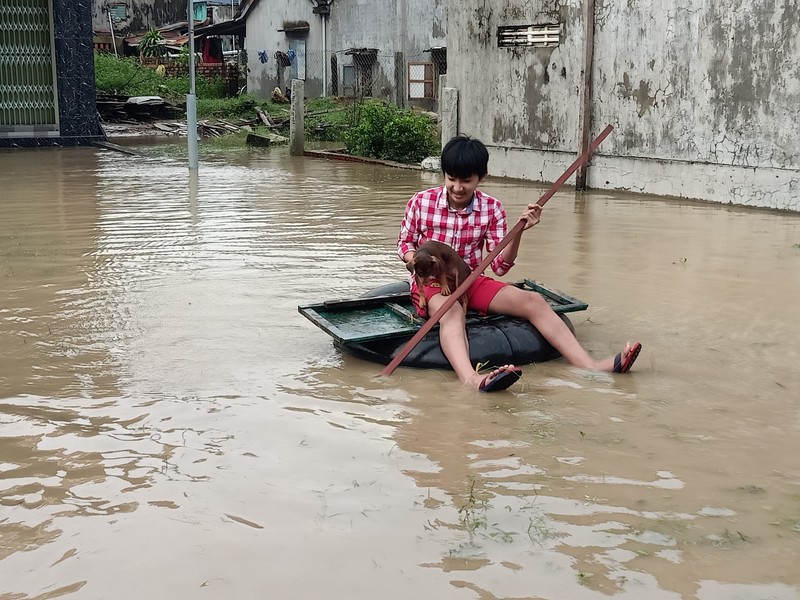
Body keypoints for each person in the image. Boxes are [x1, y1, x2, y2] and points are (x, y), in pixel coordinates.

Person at [397, 135, 642, 392]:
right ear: (444, 174)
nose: (458, 187)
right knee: (452, 310)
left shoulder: (492, 208)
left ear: (482, 177)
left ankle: (590, 366)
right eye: (452, 179)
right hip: (432, 283)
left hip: (471, 277)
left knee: (533, 301)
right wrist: (417, 260)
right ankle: (471, 379)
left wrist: (520, 231)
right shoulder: (421, 201)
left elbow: (500, 266)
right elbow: (404, 243)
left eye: (466, 181)